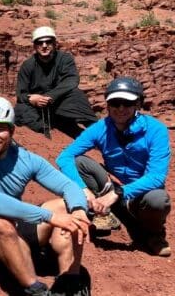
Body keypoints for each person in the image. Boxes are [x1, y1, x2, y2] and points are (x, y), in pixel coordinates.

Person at [0, 97, 91, 296]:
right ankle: (34, 289)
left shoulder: (25, 159)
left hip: (12, 225)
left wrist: (78, 210)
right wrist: (49, 217)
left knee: (66, 207)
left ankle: (70, 282)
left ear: (11, 130)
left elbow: (68, 185)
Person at [57, 77, 171, 257]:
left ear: (137, 104)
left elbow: (156, 177)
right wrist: (83, 189)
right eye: (115, 103)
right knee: (79, 162)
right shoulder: (100, 128)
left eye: (127, 103)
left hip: (140, 193)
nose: (120, 108)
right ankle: (103, 215)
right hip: (112, 186)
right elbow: (65, 157)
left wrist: (118, 194)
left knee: (158, 200)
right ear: (108, 105)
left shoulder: (156, 130)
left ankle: (153, 234)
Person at [15, 26, 97, 139]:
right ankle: (43, 131)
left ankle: (97, 131)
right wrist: (32, 99)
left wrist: (50, 96)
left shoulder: (64, 59)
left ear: (54, 44)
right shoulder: (28, 65)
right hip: (37, 107)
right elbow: (21, 93)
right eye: (40, 42)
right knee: (20, 109)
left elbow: (71, 80)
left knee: (76, 95)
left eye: (48, 42)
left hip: (59, 102)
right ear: (35, 46)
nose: (44, 46)